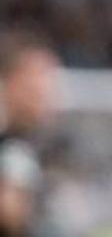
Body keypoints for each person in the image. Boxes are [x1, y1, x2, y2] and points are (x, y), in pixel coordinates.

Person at [0, 32, 61, 237]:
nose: (45, 90)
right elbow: (10, 215)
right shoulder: (14, 146)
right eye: (36, 78)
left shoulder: (30, 143)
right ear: (10, 81)